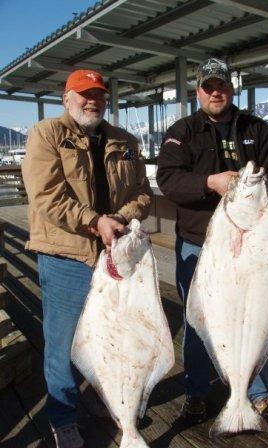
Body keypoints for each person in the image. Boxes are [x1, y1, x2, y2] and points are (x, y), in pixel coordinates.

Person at [22, 69, 152, 448]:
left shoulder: (125, 140)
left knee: (113, 336)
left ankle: (103, 397)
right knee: (63, 343)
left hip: (117, 257)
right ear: (67, 98)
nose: (92, 100)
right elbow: (46, 197)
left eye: (99, 94)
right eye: (83, 94)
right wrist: (96, 221)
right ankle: (63, 418)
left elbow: (143, 192)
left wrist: (122, 219)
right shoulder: (46, 134)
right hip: (67, 257)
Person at [157, 58, 268, 426]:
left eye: (222, 86)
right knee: (202, 320)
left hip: (254, 245)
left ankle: (258, 393)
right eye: (208, 87)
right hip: (201, 244)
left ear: (232, 89)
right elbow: (168, 179)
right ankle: (197, 393)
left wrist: (259, 191)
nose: (216, 93)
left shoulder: (257, 130)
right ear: (197, 91)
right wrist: (208, 184)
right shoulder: (181, 132)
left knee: (257, 316)